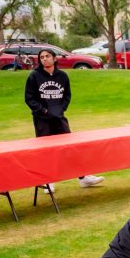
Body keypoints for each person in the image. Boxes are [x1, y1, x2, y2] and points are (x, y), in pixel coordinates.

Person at [23, 47, 104, 188]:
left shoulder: (62, 76)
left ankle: (83, 178)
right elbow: (29, 98)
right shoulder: (34, 76)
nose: (44, 59)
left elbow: (67, 96)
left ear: (54, 59)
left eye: (47, 56)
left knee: (70, 148)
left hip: (59, 118)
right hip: (42, 120)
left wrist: (61, 109)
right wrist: (44, 110)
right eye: (42, 57)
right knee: (46, 151)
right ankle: (48, 182)